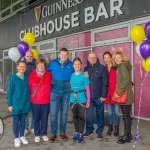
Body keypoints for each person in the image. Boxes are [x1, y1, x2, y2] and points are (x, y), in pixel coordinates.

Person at [46, 48, 74, 142]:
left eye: (65, 55)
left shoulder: (71, 65)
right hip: (54, 93)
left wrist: (85, 74)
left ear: (68, 55)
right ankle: (53, 134)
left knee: (64, 113)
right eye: (62, 55)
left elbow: (77, 73)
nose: (63, 56)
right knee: (53, 114)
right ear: (59, 55)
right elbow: (45, 72)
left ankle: (62, 133)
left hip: (66, 93)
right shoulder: (53, 63)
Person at [84, 52, 108, 140]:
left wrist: (103, 95)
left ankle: (99, 131)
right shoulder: (86, 68)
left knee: (100, 115)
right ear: (88, 58)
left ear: (97, 58)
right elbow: (84, 83)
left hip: (99, 97)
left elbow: (105, 83)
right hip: (89, 97)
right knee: (89, 115)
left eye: (94, 57)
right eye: (90, 58)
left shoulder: (102, 68)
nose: (92, 59)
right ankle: (89, 130)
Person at [7, 61, 31, 147]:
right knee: (16, 122)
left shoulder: (27, 78)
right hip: (16, 104)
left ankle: (22, 136)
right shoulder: (13, 78)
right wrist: (9, 104)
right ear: (17, 67)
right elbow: (9, 92)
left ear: (26, 68)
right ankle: (16, 138)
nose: (22, 68)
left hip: (25, 104)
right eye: (21, 66)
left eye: (24, 67)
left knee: (23, 122)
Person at [28, 58, 52, 143]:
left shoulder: (48, 74)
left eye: (42, 65)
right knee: (36, 118)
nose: (41, 66)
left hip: (46, 100)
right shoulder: (32, 74)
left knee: (44, 118)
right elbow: (30, 87)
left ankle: (44, 133)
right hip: (35, 100)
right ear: (36, 65)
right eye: (39, 65)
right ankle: (37, 134)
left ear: (44, 66)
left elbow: (51, 86)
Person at [113, 51, 133, 144]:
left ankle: (126, 136)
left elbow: (126, 79)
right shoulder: (122, 66)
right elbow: (127, 79)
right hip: (125, 94)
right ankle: (128, 134)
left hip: (124, 95)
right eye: (115, 58)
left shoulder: (122, 66)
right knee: (126, 116)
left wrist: (118, 92)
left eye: (118, 57)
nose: (116, 59)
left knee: (126, 116)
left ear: (122, 58)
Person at [70, 57, 90, 143]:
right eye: (75, 64)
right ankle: (76, 132)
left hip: (82, 98)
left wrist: (88, 100)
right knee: (75, 116)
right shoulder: (71, 75)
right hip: (72, 99)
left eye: (79, 64)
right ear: (73, 65)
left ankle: (81, 134)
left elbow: (87, 89)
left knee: (81, 116)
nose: (77, 65)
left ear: (81, 65)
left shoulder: (84, 75)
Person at [103, 51, 120, 136]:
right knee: (109, 112)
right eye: (105, 58)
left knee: (117, 112)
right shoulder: (103, 69)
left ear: (111, 58)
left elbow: (121, 78)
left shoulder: (116, 67)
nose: (106, 60)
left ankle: (116, 129)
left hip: (116, 93)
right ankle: (110, 128)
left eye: (108, 58)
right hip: (107, 93)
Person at [24, 51, 36, 135]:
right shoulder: (22, 65)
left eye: (31, 56)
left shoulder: (36, 65)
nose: (29, 58)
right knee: (25, 111)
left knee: (34, 110)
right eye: (28, 56)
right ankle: (25, 127)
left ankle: (33, 127)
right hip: (25, 92)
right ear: (25, 56)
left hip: (35, 92)